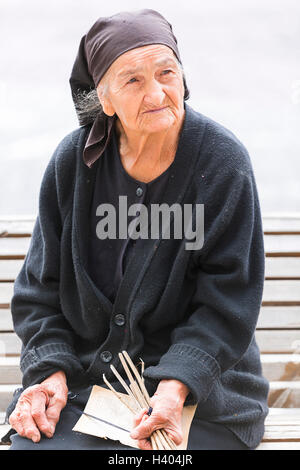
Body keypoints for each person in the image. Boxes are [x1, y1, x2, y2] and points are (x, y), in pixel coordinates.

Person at [3, 9, 269, 450]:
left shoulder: (222, 164)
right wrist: (49, 371)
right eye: (133, 81)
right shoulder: (73, 165)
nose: (157, 93)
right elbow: (39, 291)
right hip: (91, 387)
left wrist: (176, 384)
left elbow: (228, 303)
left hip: (200, 395)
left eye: (167, 73)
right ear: (104, 100)